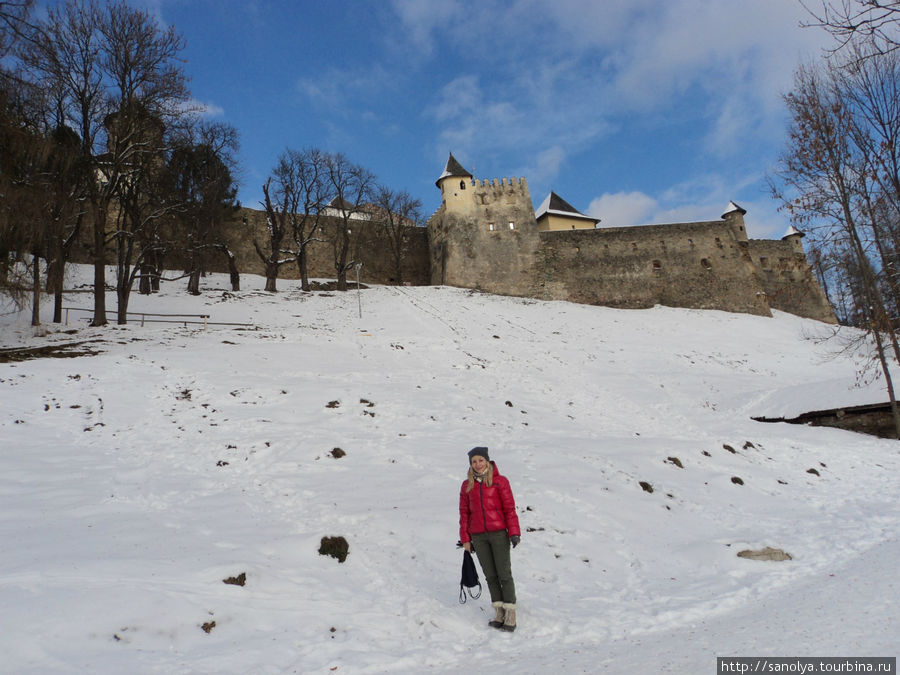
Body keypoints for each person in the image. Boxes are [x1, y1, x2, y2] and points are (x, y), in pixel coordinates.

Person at [458, 446, 521, 632]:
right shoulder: (466, 485)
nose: (478, 464)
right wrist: (465, 539)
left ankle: (510, 612)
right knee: (490, 576)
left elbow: (509, 508)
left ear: (487, 461)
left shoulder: (500, 482)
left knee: (504, 574)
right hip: (478, 536)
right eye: (474, 461)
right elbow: (464, 513)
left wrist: (514, 532)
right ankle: (499, 611)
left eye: (480, 460)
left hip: (498, 534)